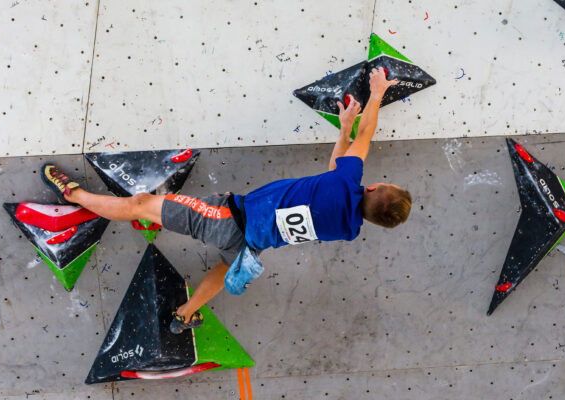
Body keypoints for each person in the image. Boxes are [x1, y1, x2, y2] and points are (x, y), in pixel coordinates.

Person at [40, 68, 412, 332]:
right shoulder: (347, 227)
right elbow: (335, 171)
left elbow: (365, 136)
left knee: (140, 205)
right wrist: (344, 128)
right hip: (249, 248)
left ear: (375, 188)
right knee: (222, 269)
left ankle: (74, 194)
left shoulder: (347, 181)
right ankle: (185, 315)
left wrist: (376, 94)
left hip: (225, 218)